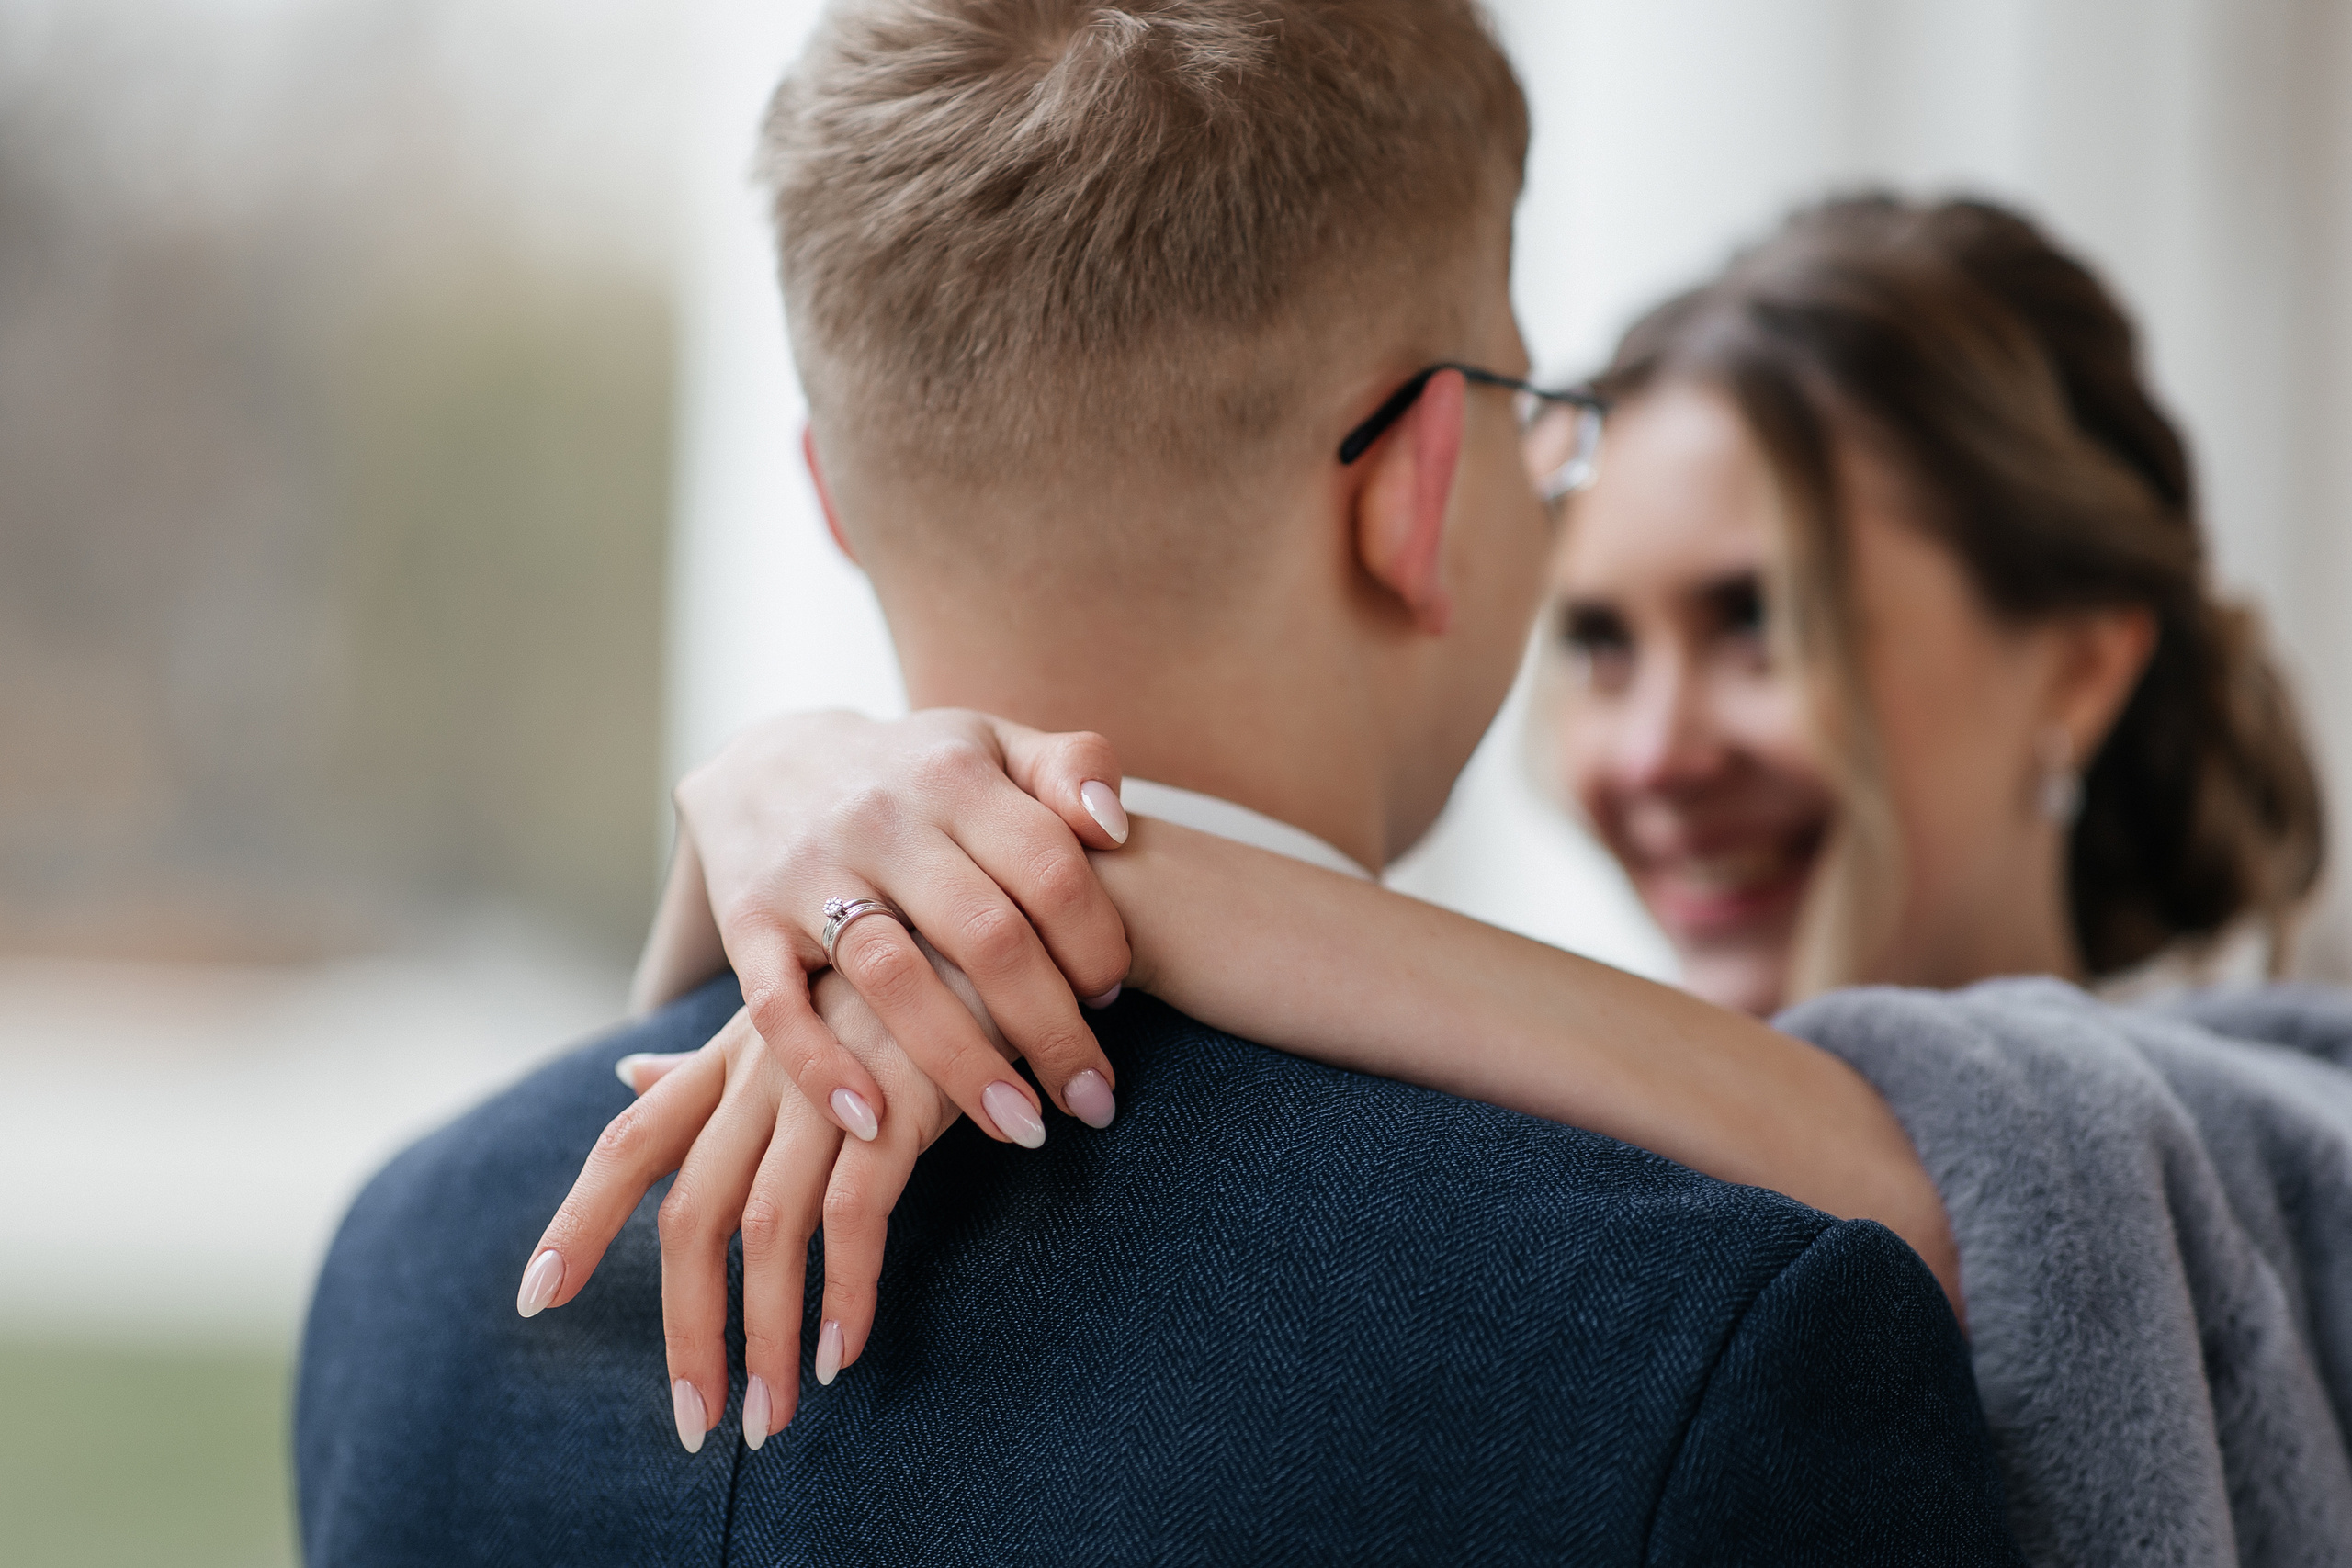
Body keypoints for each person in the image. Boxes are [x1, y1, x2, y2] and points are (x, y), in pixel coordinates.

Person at [294, 5, 2022, 1564]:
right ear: (1417, 489)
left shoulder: (411, 1271)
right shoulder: (1727, 1344)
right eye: (1524, 408)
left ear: (832, 496)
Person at [604, 195, 2352, 1562]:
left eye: (1760, 624)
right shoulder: (1547, 1203)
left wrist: (1080, 852)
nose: (1654, 750)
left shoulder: (2284, 1141)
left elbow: (1971, 1180)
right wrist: (764, 804)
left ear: (2078, 667)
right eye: (1596, 641)